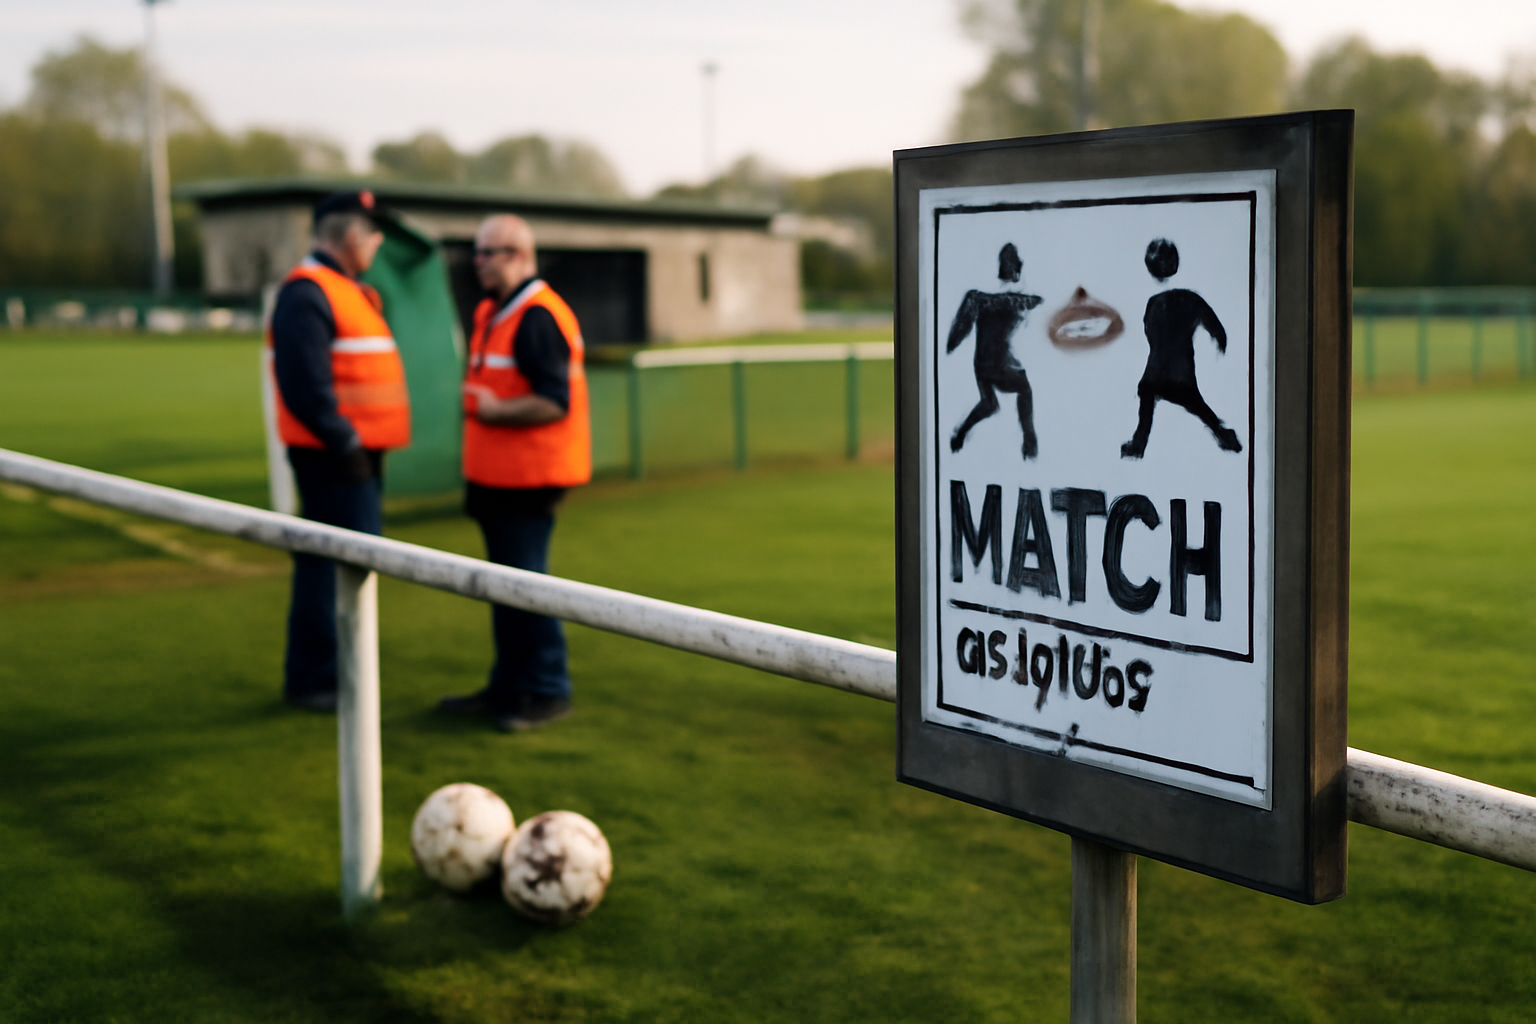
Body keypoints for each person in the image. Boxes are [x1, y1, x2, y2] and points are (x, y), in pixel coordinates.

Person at [439, 214, 591, 732]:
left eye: (488, 252)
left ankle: (548, 689)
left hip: (529, 477)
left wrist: (493, 410)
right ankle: (509, 686)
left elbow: (554, 401)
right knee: (506, 586)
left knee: (527, 585)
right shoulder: (495, 310)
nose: (476, 262)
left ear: (520, 255)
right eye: (476, 252)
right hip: (498, 477)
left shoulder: (537, 315)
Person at [267, 190, 410, 711]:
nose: (377, 244)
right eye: (373, 235)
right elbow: (304, 384)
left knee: (340, 565)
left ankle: (331, 673)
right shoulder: (309, 292)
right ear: (351, 238)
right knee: (330, 566)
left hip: (353, 454)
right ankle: (317, 678)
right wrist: (345, 441)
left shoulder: (342, 289)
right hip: (335, 456)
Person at [1120, 237, 1242, 459]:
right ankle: (1223, 435)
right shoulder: (1189, 300)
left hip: (1160, 367)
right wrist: (1219, 339)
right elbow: (1214, 325)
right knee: (1193, 402)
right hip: (1178, 369)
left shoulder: (1158, 302)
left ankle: (1138, 446)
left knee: (1153, 398)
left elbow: (1149, 331)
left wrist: (1218, 337)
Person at [945, 242, 1044, 458]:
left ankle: (960, 433)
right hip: (999, 364)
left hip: (981, 365)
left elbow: (961, 326)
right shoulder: (1017, 298)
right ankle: (1030, 442)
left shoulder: (979, 297)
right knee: (1024, 388)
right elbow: (1027, 302)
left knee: (989, 404)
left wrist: (952, 343)